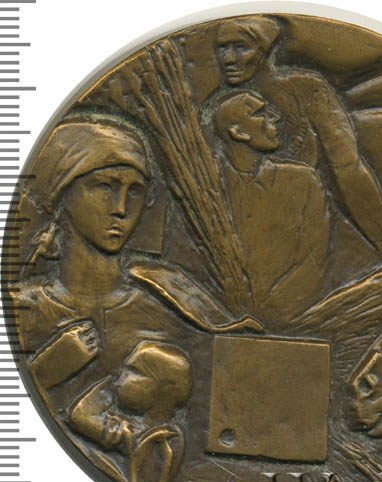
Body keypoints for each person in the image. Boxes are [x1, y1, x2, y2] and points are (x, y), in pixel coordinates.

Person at [9, 120, 261, 414]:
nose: (120, 208)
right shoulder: (19, 309)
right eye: (105, 186)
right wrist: (44, 372)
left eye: (134, 191)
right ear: (63, 194)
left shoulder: (168, 312)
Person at [211, 15, 382, 259]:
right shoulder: (222, 111)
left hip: (317, 229)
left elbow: (348, 169)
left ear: (263, 51)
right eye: (222, 48)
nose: (228, 58)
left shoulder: (307, 88)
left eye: (240, 47)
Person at [213, 90, 330, 327]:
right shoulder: (205, 187)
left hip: (291, 319)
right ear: (238, 132)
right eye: (260, 114)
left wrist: (270, 310)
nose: (275, 120)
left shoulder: (303, 182)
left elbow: (315, 259)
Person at [69, 340, 192, 482]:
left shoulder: (161, 443)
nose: (120, 378)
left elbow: (81, 416)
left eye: (134, 371)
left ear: (165, 389)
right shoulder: (134, 429)